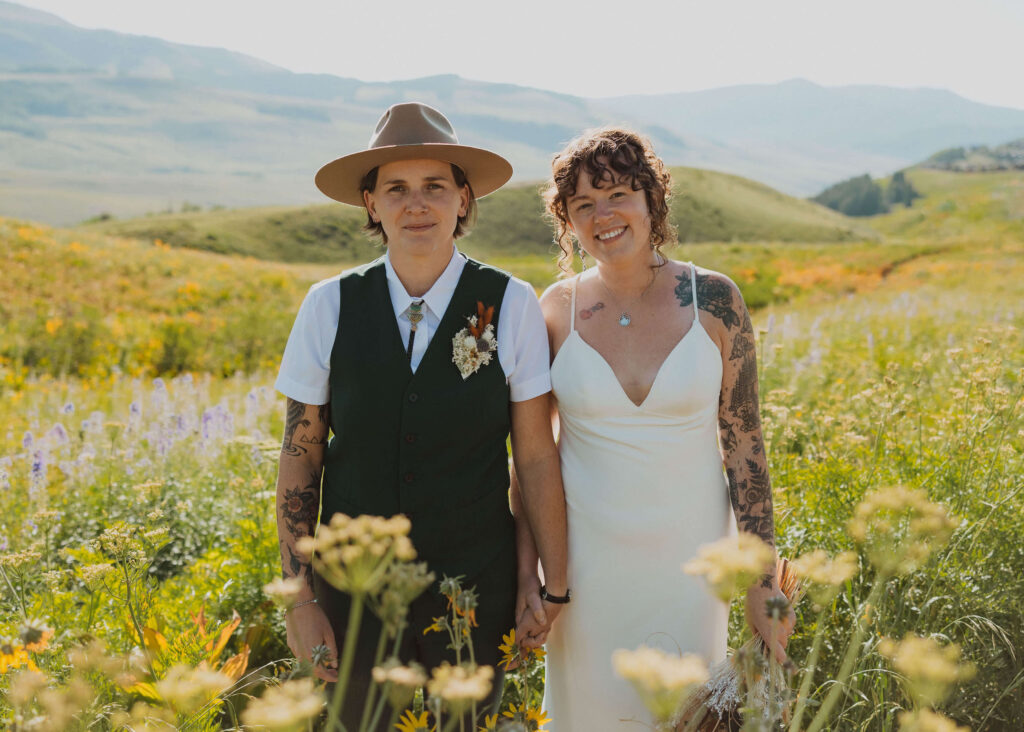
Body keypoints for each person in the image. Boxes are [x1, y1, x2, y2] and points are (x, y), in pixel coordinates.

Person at [273, 102, 568, 730]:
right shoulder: (328, 305)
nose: (417, 204)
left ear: (463, 200)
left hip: (474, 590)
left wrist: (539, 578)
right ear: (371, 205)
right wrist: (300, 599)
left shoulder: (511, 303)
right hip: (352, 593)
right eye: (397, 188)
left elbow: (535, 457)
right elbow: (301, 458)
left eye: (435, 186)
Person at [515, 128, 795, 727]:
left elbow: (745, 447)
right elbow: (533, 459)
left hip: (694, 565)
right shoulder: (553, 313)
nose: (603, 216)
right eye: (582, 205)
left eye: (617, 194)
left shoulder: (715, 300)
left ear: (651, 200)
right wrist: (534, 576)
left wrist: (760, 578)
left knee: (690, 715)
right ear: (566, 221)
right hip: (586, 572)